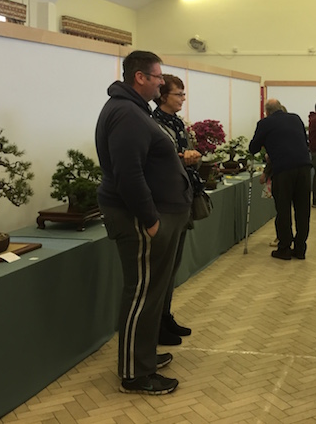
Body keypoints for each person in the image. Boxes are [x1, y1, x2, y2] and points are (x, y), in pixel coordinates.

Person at [95, 51, 192, 395]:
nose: (161, 83)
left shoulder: (134, 110)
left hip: (149, 214)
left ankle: (144, 355)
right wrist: (150, 220)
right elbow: (129, 174)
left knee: (151, 293)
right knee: (142, 293)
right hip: (138, 218)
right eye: (158, 77)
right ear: (140, 77)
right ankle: (135, 373)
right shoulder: (126, 113)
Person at [152, 75, 201, 346]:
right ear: (163, 96)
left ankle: (165, 315)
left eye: (183, 94)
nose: (183, 99)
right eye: (178, 94)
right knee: (162, 269)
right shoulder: (154, 126)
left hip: (182, 198)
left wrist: (191, 157)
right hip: (165, 202)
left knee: (172, 267)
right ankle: (156, 324)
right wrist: (183, 159)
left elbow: (188, 155)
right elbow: (158, 164)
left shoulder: (178, 125)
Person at [249, 99, 312, 260]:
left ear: (266, 112)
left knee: (283, 210)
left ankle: (284, 248)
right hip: (304, 167)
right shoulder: (295, 118)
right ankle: (300, 248)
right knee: (303, 210)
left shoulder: (265, 123)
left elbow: (253, 148)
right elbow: (303, 141)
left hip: (283, 170)